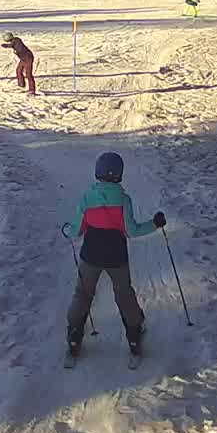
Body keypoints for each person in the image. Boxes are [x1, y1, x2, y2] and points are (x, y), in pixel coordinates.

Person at [63, 151, 165, 363]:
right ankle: (134, 335)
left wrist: (66, 230)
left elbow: (76, 230)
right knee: (124, 294)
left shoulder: (87, 198)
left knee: (83, 293)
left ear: (97, 172)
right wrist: (155, 224)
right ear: (119, 174)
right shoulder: (123, 200)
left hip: (90, 254)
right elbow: (133, 231)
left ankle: (74, 335)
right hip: (116, 255)